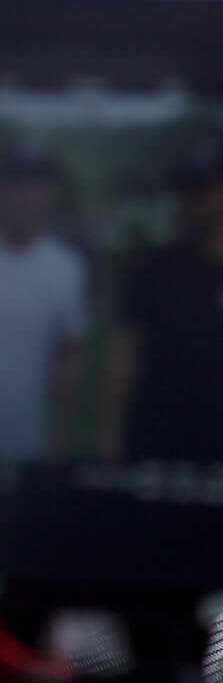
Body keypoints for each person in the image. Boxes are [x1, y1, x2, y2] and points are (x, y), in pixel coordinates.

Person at [103, 137, 223, 468]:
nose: (197, 201)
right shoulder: (157, 267)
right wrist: (110, 439)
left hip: (214, 441)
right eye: (192, 190)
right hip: (147, 437)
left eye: (207, 189)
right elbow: (123, 355)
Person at [0, 139, 87, 460]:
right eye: (18, 183)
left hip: (27, 443)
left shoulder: (66, 268)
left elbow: (69, 361)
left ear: (50, 193)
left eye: (37, 185)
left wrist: (61, 444)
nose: (27, 196)